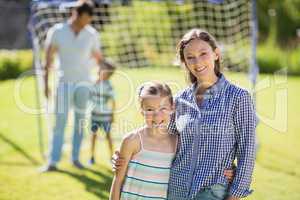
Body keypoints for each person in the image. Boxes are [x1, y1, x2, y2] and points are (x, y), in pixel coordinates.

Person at [113, 29, 256, 200]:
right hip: (176, 189)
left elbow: (247, 150)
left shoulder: (238, 97)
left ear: (216, 54)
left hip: (212, 191)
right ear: (185, 62)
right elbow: (162, 135)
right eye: (190, 57)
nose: (198, 62)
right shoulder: (180, 100)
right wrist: (127, 152)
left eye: (203, 53)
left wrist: (235, 194)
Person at [41, 0, 105, 172]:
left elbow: (99, 58)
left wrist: (99, 77)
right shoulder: (57, 31)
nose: (88, 21)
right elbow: (47, 59)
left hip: (85, 84)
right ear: (76, 14)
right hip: (64, 83)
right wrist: (45, 83)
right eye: (86, 17)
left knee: (80, 122)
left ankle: (75, 158)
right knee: (60, 121)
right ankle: (53, 161)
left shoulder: (91, 34)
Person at [110, 81, 178, 200]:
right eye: (150, 110)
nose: (157, 116)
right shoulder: (132, 140)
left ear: (172, 108)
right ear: (142, 111)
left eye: (163, 108)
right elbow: (117, 182)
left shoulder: (177, 143)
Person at [89, 61, 116, 165]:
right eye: (99, 69)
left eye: (102, 70)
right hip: (94, 115)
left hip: (105, 116)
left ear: (108, 74)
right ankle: (92, 157)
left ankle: (111, 157)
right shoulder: (93, 82)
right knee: (93, 135)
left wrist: (112, 115)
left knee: (108, 136)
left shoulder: (108, 86)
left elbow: (113, 101)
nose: (99, 71)